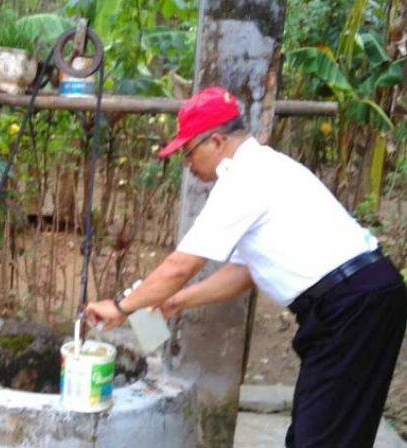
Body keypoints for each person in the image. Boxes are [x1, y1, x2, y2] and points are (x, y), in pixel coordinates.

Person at [86, 86, 407, 447]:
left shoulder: (244, 179)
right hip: (356, 300)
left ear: (217, 142)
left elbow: (181, 266)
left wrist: (119, 307)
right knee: (317, 432)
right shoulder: (264, 170)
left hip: (352, 305)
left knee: (321, 439)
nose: (188, 165)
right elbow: (243, 272)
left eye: (188, 152)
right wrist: (177, 303)